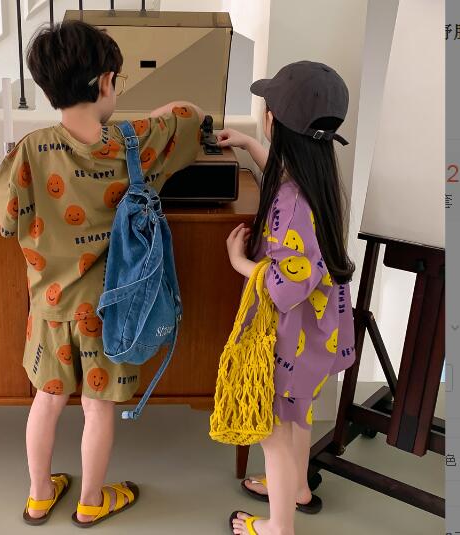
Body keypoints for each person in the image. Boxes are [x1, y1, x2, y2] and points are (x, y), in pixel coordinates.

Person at [0, 20, 204, 527]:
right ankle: (91, 501)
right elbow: (189, 116)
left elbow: (7, 220)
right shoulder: (135, 142)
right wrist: (153, 113)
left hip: (50, 308)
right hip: (112, 312)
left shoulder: (29, 150)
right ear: (106, 82)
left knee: (46, 400)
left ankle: (39, 494)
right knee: (97, 407)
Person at [218, 61, 356, 535]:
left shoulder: (291, 203)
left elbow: (285, 285)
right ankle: (297, 488)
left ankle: (280, 526)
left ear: (273, 120)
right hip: (318, 335)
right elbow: (281, 179)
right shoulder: (316, 181)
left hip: (290, 338)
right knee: (299, 412)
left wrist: (239, 261)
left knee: (273, 432)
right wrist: (249, 145)